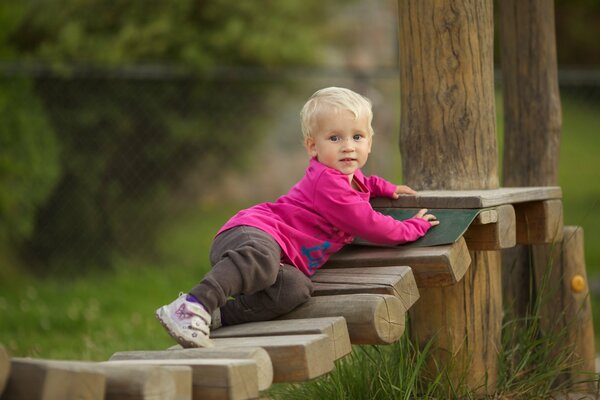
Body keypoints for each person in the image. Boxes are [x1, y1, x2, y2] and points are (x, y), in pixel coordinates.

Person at [156, 86, 439, 348]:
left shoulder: (347, 175)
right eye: (335, 138)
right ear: (313, 147)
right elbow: (370, 224)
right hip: (254, 231)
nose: (348, 146)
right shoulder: (328, 183)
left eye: (357, 136)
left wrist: (387, 188)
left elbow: (365, 183)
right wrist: (413, 227)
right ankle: (192, 304)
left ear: (370, 142)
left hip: (275, 253)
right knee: (263, 261)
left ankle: (217, 317)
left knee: (295, 290)